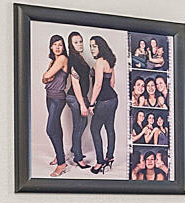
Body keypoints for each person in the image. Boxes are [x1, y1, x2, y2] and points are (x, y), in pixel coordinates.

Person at [39, 34, 79, 176]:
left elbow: (46, 76)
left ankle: (62, 163)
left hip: (57, 98)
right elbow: (44, 80)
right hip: (49, 96)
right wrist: (46, 76)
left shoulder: (62, 59)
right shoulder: (53, 60)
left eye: (60, 45)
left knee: (50, 129)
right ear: (51, 46)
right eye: (55, 44)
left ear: (63, 47)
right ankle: (59, 154)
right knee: (56, 126)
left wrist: (46, 76)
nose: (57, 47)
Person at [86, 35, 123, 173]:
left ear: (101, 46)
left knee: (95, 129)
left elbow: (98, 84)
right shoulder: (110, 61)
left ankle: (100, 162)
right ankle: (110, 157)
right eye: (90, 46)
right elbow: (112, 83)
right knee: (109, 128)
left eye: (94, 46)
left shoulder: (100, 62)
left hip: (103, 101)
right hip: (113, 99)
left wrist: (91, 103)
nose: (91, 49)